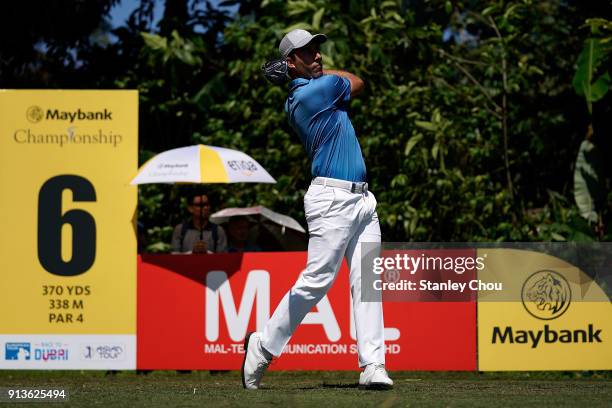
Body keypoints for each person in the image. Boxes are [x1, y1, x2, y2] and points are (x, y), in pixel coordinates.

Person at [242, 29, 392, 389]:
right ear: (290, 62)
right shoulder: (316, 91)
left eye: (317, 50)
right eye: (306, 53)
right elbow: (358, 82)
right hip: (332, 200)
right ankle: (262, 347)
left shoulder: (306, 90)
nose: (317, 56)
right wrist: (321, 74)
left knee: (367, 283)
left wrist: (307, 70)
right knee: (316, 282)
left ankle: (373, 365)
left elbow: (345, 84)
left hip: (362, 200)